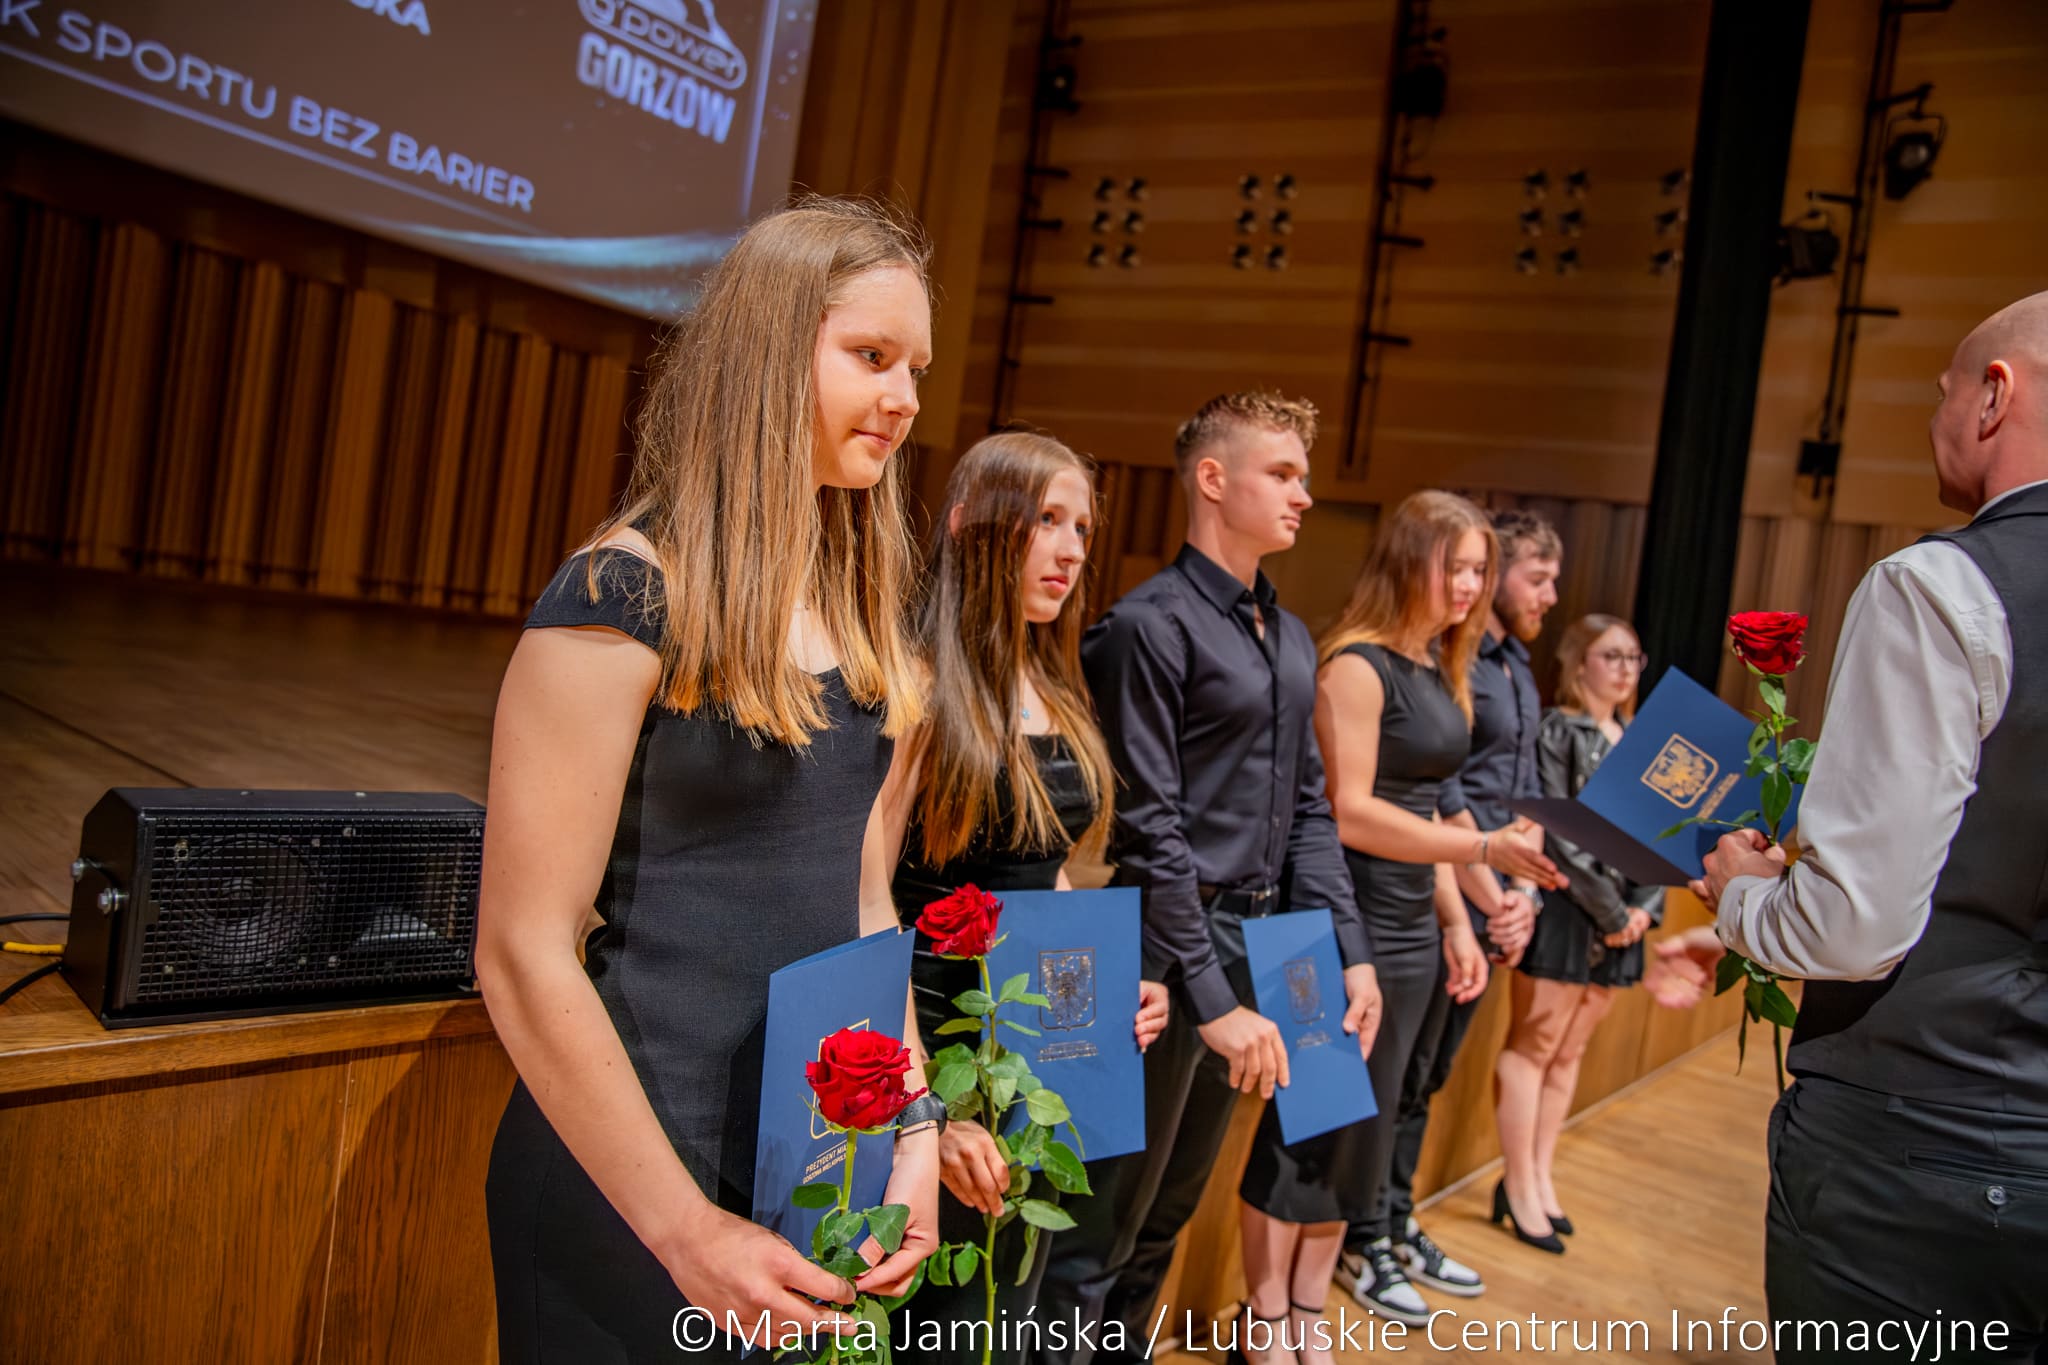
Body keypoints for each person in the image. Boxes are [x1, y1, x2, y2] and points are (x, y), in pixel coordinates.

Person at [476, 199, 945, 1364]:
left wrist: (915, 1131)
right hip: (632, 1184)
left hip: (804, 1171)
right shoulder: (624, 594)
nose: (904, 401)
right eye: (871, 358)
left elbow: (865, 908)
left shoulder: (862, 621)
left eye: (916, 369)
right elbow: (522, 949)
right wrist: (682, 1230)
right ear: (768, 352)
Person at [1687, 295, 2048, 1362]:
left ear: (1994, 396)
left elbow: (1857, 925)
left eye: (1943, 388)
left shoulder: (1944, 586)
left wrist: (1740, 893)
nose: (1934, 413)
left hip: (1922, 1156)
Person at [1035, 391, 1384, 1365]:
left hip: (1261, 935)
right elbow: (1149, 831)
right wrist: (1210, 992)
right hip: (1155, 947)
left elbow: (1309, 815)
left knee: (1167, 1213)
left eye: (1304, 477)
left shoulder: (1289, 634)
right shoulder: (1147, 627)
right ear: (1212, 479)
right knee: (1097, 1218)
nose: (1303, 495)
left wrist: (1347, 955)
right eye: (1281, 473)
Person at [878, 431, 1171, 1362]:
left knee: (1014, 1308)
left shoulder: (1052, 681)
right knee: (944, 1327)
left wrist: (1104, 980)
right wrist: (927, 1107)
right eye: (1047, 520)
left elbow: (1043, 874)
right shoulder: (916, 681)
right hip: (932, 1043)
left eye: (1081, 526)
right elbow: (864, 905)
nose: (1074, 548)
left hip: (1032, 1046)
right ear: (972, 523)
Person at [1313, 490, 1560, 1329]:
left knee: (1408, 1087)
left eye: (1479, 570)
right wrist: (1484, 853)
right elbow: (1353, 810)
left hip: (1421, 907)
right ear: (1407, 559)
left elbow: (1433, 802)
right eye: (1454, 566)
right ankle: (1358, 1239)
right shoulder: (1355, 661)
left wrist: (1463, 917)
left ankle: (1382, 1225)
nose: (1468, 585)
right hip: (1359, 907)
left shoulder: (1439, 667)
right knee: (1359, 1101)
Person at [1491, 614, 1662, 1254]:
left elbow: (1665, 829)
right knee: (1534, 1047)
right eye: (1610, 655)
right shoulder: (1558, 730)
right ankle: (1517, 1181)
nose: (1623, 668)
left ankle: (1539, 1175)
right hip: (1571, 908)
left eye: (1633, 656)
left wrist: (1644, 906)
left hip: (1626, 916)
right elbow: (1558, 830)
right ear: (1577, 661)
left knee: (1569, 1055)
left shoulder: (1644, 739)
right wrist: (1613, 913)